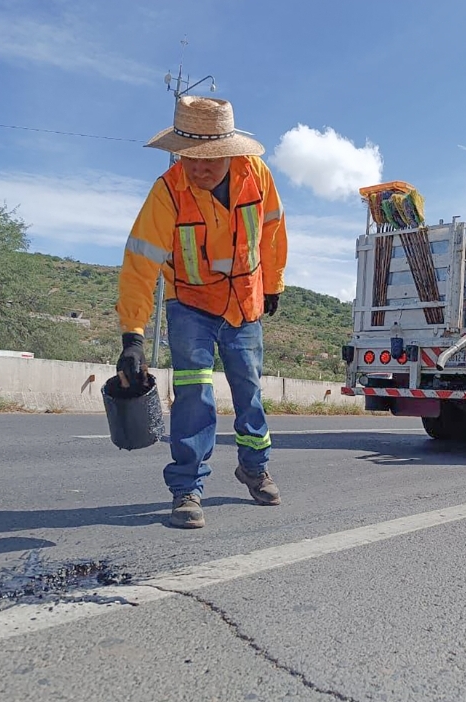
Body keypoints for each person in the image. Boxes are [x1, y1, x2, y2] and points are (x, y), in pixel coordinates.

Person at [115, 96, 288, 529]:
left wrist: (273, 283)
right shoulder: (168, 190)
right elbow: (140, 262)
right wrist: (133, 337)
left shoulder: (258, 177)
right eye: (189, 158)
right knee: (194, 394)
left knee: (249, 391)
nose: (199, 169)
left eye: (209, 159)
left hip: (245, 301)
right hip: (190, 304)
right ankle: (187, 488)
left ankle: (254, 466)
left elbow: (273, 233)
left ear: (232, 152)